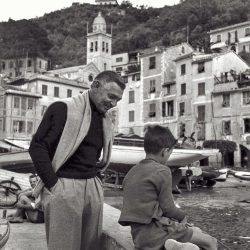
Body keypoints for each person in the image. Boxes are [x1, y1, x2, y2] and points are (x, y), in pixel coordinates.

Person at [29, 70, 125, 250]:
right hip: (64, 186)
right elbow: (37, 146)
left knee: (91, 246)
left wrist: (96, 183)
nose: (113, 104)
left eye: (117, 100)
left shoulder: (105, 120)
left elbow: (96, 156)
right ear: (95, 85)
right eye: (111, 96)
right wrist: (54, 185)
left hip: (92, 188)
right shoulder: (61, 109)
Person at [119, 125, 217, 250]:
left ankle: (177, 245)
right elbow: (168, 208)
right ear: (165, 151)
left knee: (195, 231)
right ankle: (174, 244)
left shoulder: (132, 172)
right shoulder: (162, 170)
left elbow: (147, 207)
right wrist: (183, 216)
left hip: (139, 238)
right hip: (157, 233)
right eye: (170, 153)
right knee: (210, 241)